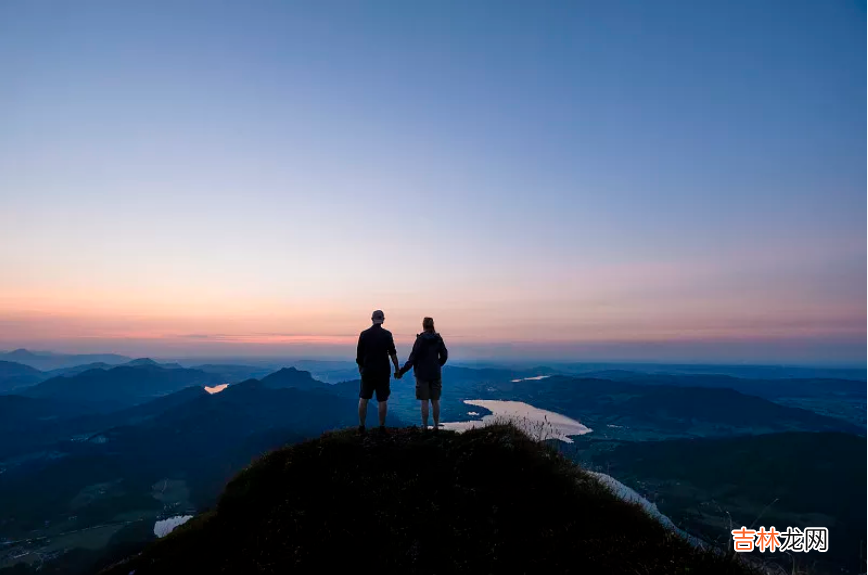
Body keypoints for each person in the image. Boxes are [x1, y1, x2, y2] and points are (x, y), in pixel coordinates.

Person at [396, 317, 448, 430]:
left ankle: (424, 427)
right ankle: (435, 426)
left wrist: (401, 371)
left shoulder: (420, 340)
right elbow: (444, 355)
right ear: (433, 325)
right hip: (435, 373)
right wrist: (438, 364)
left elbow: (412, 358)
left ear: (423, 326)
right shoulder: (438, 339)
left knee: (424, 401)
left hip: (422, 374)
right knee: (435, 400)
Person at [356, 309, 400, 434]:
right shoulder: (387, 335)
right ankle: (381, 427)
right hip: (383, 371)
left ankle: (361, 426)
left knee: (363, 398)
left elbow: (359, 356)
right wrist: (397, 369)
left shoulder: (364, 334)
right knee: (382, 399)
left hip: (368, 371)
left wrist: (361, 369)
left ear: (372, 319)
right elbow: (393, 353)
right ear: (383, 320)